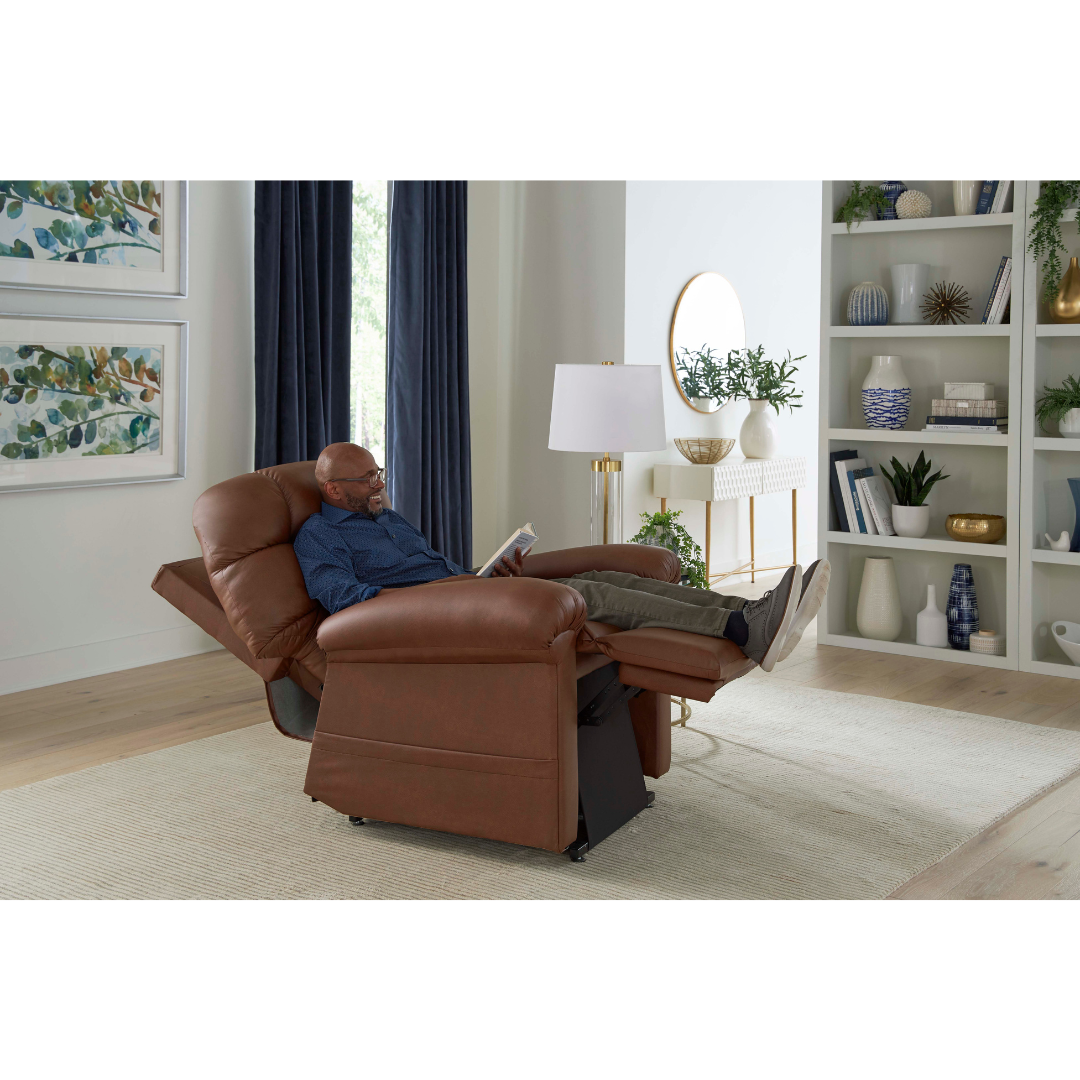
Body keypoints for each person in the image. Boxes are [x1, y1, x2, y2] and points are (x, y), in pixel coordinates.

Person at [294, 443, 830, 672]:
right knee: (586, 596)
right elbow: (342, 598)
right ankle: (740, 628)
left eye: (378, 472)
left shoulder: (387, 518)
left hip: (460, 592)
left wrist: (485, 573)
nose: (379, 483)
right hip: (426, 615)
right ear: (333, 490)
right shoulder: (319, 535)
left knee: (600, 576)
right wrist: (438, 594)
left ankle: (750, 609)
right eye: (367, 478)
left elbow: (440, 567)